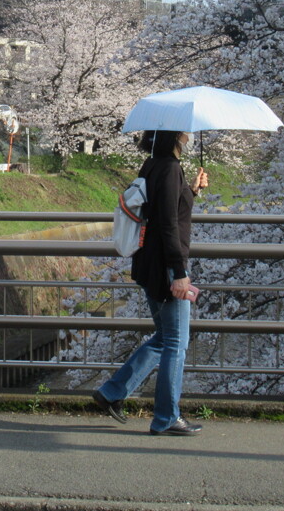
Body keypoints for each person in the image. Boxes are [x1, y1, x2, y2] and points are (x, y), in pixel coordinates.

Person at [93, 129, 208, 436]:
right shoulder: (170, 169)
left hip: (149, 263)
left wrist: (191, 191)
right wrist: (179, 273)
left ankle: (112, 392)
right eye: (186, 133)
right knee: (176, 342)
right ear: (176, 137)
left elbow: (163, 212)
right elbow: (169, 225)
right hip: (165, 267)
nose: (189, 136)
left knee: (165, 337)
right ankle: (166, 417)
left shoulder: (152, 165)